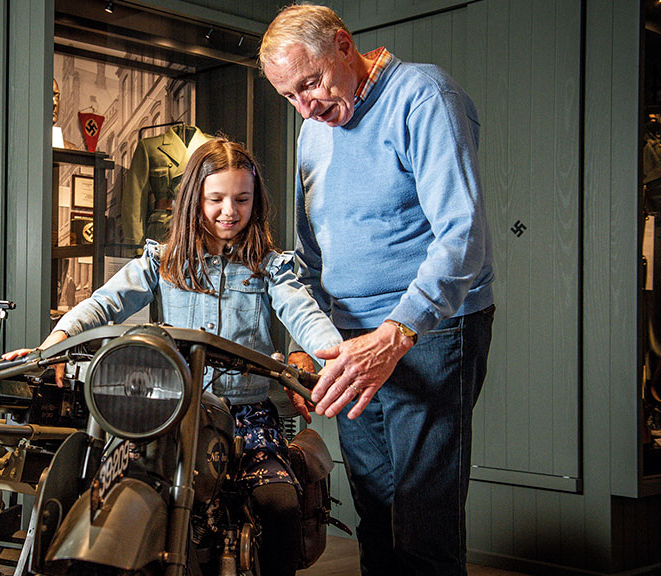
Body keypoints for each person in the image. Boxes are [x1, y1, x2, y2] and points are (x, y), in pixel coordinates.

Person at [5, 137, 343, 574]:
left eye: (242, 199)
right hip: (172, 412)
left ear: (255, 202)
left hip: (246, 416)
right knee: (113, 485)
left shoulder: (269, 267)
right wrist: (58, 340)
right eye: (215, 199)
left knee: (278, 503)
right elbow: (104, 303)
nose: (229, 211)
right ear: (193, 200)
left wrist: (335, 356)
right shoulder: (163, 262)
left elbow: (305, 313)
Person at [259, 5, 495, 576]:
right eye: (289, 96)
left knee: (423, 519)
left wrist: (396, 333)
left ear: (344, 46)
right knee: (374, 507)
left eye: (310, 83)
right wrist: (305, 345)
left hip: (429, 332)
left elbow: (462, 235)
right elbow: (311, 255)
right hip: (346, 340)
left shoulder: (423, 96)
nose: (305, 107)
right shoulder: (313, 131)